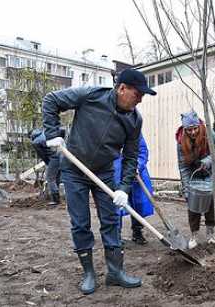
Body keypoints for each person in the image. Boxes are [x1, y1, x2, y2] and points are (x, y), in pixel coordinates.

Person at [42, 68, 156, 295]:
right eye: (137, 94)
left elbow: (131, 156)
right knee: (80, 222)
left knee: (111, 220)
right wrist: (52, 133)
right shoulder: (92, 95)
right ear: (122, 88)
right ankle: (89, 273)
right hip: (74, 169)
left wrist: (123, 188)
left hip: (103, 172)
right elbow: (51, 100)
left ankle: (115, 272)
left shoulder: (134, 119)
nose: (140, 99)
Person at [176, 111, 215, 249]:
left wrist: (207, 161)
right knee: (193, 207)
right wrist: (186, 189)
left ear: (199, 126)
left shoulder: (209, 134)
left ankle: (211, 233)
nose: (192, 132)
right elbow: (183, 167)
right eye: (189, 130)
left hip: (210, 174)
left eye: (195, 128)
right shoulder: (181, 141)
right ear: (185, 130)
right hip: (193, 178)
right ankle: (194, 235)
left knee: (210, 206)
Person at [114, 133, 154, 245]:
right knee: (117, 204)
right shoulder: (110, 130)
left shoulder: (135, 131)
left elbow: (143, 150)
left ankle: (137, 231)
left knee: (139, 203)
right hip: (116, 175)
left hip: (135, 173)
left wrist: (138, 166)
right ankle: (116, 234)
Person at [29, 127, 65, 205]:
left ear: (31, 136)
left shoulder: (35, 142)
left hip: (53, 158)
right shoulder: (45, 134)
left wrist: (48, 162)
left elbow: (42, 154)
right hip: (61, 155)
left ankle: (56, 200)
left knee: (50, 178)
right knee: (57, 178)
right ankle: (58, 197)